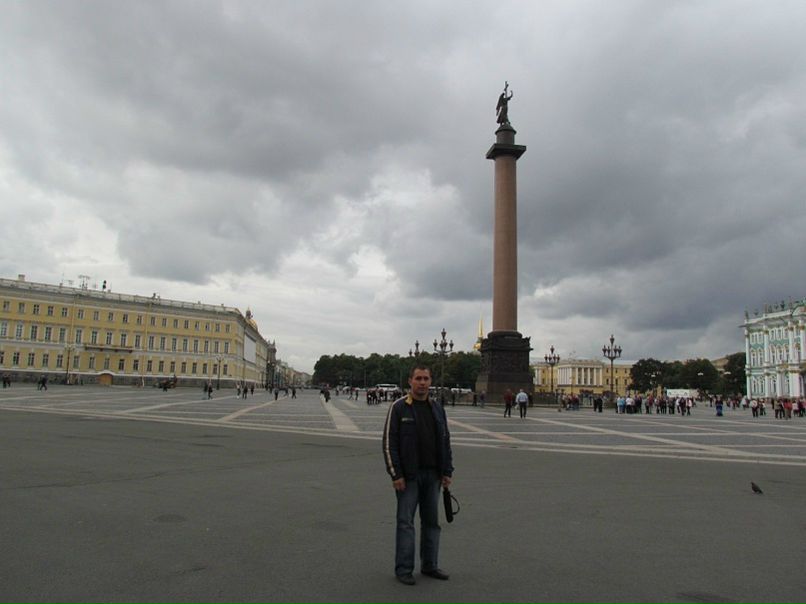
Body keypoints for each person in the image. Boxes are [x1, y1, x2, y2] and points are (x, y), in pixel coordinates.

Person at [383, 364, 453, 586]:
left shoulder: (437, 408)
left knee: (432, 522)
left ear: (430, 382)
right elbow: (389, 443)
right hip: (408, 476)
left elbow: (445, 441)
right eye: (418, 378)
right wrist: (396, 474)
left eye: (426, 379)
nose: (422, 382)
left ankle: (430, 565)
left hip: (433, 475)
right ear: (410, 381)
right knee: (406, 523)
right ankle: (404, 569)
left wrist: (447, 471)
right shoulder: (399, 407)